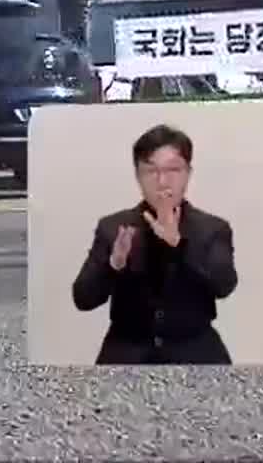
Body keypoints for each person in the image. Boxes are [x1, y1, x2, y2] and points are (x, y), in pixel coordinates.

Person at [70, 123, 238, 365]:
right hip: (126, 352)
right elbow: (82, 299)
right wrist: (113, 265)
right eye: (151, 171)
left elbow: (224, 286)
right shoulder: (114, 227)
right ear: (138, 175)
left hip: (195, 352)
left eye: (173, 170)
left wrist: (178, 245)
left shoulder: (213, 228)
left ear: (188, 173)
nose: (162, 181)